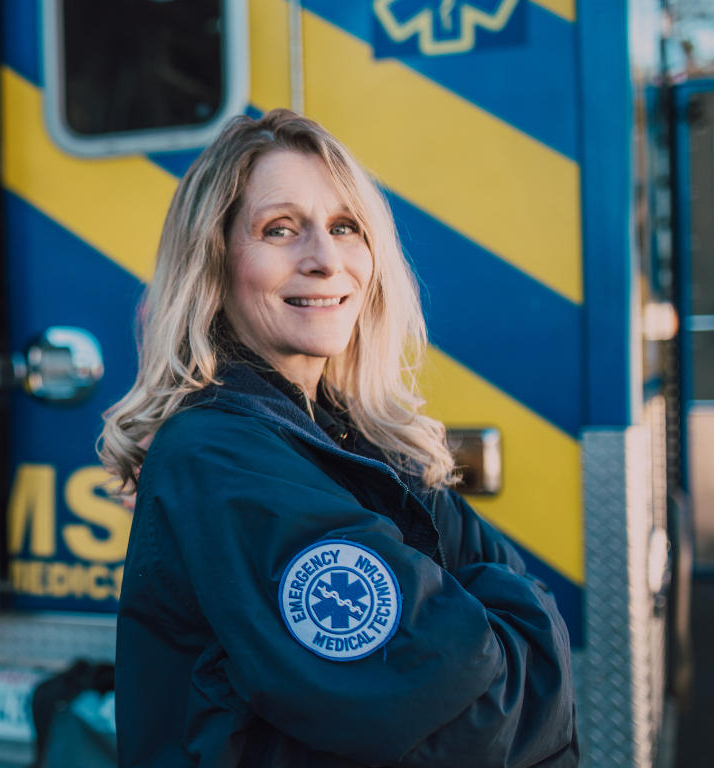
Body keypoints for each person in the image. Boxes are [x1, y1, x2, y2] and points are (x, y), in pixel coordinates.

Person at [100, 110, 576, 767]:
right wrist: (508, 625)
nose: (325, 260)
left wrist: (509, 630)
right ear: (214, 261)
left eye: (344, 227)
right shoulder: (217, 455)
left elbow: (521, 642)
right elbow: (476, 716)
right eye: (280, 230)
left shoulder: (351, 438)